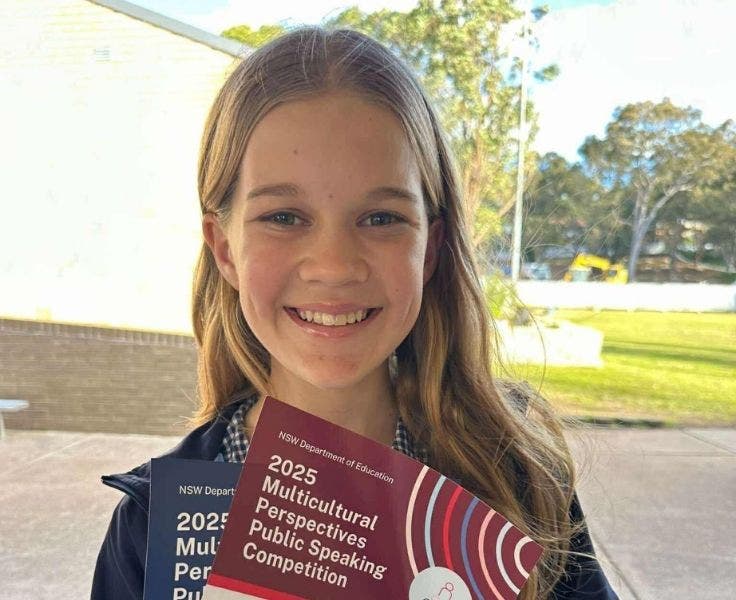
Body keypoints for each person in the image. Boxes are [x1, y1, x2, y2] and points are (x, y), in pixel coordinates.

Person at [92, 26, 619, 599]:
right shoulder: (154, 527)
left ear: (431, 249)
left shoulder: (513, 474)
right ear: (225, 250)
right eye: (284, 217)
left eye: (381, 218)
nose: (334, 266)